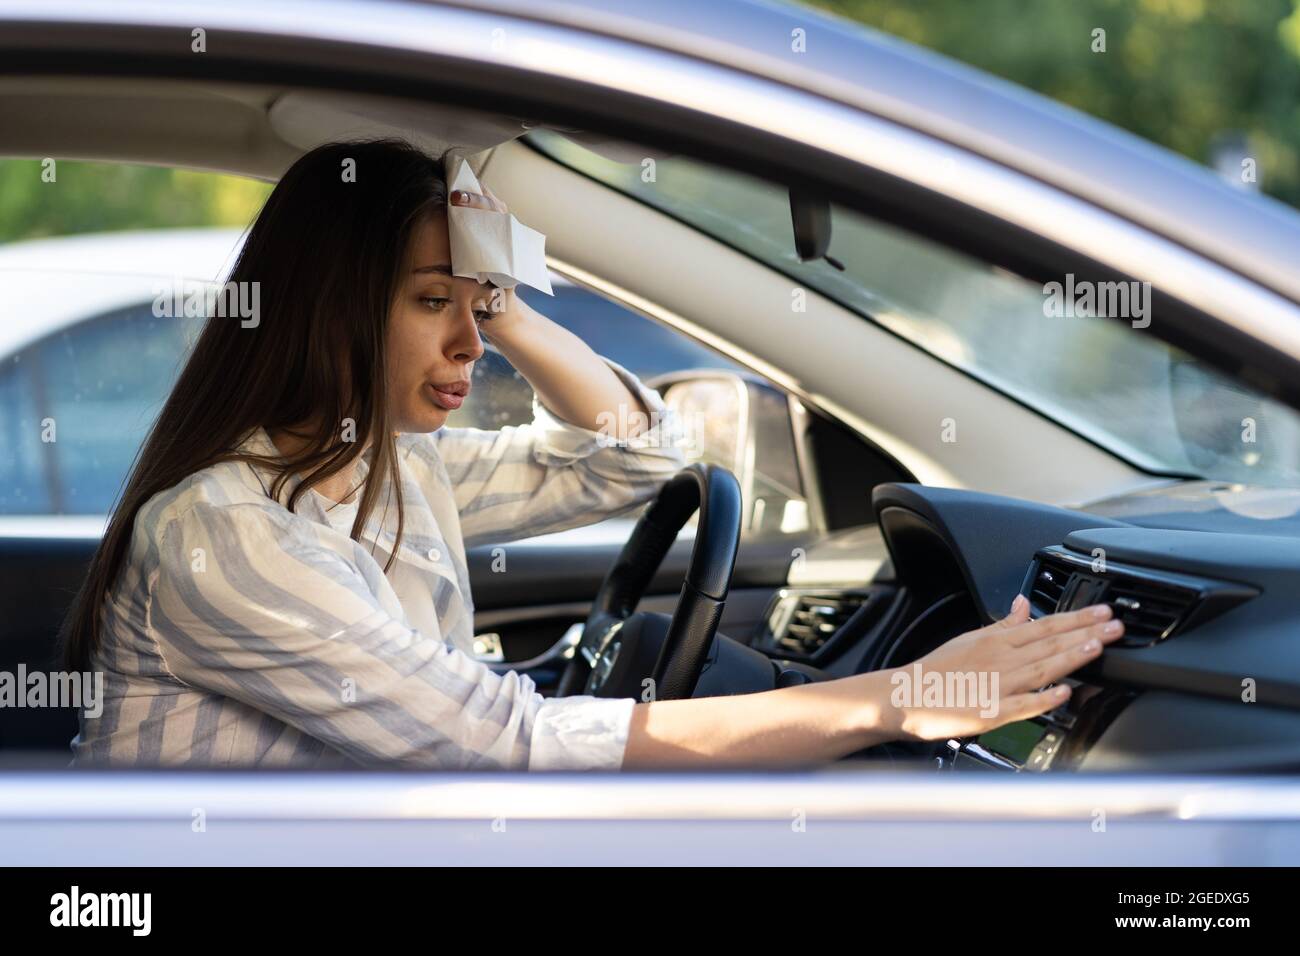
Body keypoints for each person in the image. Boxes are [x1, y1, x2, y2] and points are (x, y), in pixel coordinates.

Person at [61, 139, 1125, 770]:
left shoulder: (384, 467)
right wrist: (905, 696)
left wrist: (505, 299)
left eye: (474, 305)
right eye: (434, 302)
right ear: (332, 310)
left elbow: (627, 458)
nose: (469, 343)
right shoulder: (227, 532)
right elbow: (502, 742)